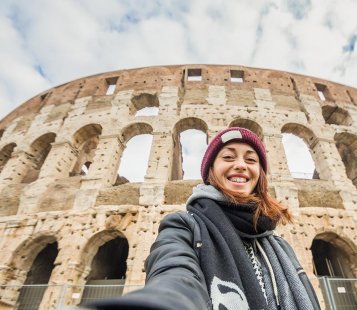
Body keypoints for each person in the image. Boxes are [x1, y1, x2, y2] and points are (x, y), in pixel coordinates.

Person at [89, 127, 320, 310]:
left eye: (251, 160)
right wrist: (164, 301)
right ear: (211, 171)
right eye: (228, 157)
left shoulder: (278, 243)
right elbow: (175, 271)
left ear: (260, 175)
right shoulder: (184, 225)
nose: (240, 165)